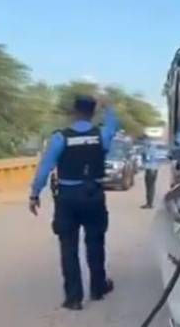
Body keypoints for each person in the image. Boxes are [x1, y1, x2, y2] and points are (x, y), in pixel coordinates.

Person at [29, 95, 119, 310]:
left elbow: (45, 168)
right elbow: (114, 124)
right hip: (94, 195)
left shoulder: (61, 138)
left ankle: (73, 298)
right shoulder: (101, 135)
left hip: (68, 198)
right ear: (92, 113)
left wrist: (34, 194)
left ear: (74, 112)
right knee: (96, 243)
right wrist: (108, 106)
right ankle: (98, 288)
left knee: (68, 247)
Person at [140, 137, 161, 209]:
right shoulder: (154, 147)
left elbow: (147, 158)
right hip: (155, 169)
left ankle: (149, 204)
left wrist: (143, 154)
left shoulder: (147, 148)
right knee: (152, 187)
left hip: (150, 169)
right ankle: (150, 203)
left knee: (149, 187)